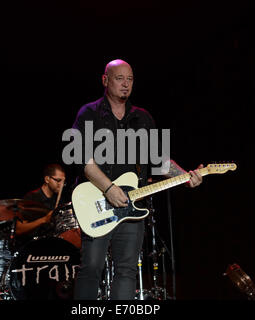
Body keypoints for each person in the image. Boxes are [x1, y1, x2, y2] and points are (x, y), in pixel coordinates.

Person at [71, 59, 204, 300]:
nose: (125, 84)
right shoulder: (89, 113)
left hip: (133, 205)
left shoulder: (142, 118)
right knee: (91, 268)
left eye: (130, 79)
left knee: (127, 270)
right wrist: (109, 188)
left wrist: (186, 177)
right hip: (97, 203)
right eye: (119, 78)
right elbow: (83, 160)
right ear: (105, 80)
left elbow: (159, 160)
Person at [15, 163, 68, 241]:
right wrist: (44, 220)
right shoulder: (31, 198)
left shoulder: (60, 201)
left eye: (63, 182)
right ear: (47, 179)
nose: (61, 185)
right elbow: (19, 230)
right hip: (31, 245)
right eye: (58, 180)